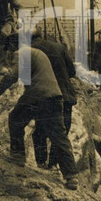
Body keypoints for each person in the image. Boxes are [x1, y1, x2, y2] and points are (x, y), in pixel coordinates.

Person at [0, 35, 79, 190]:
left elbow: (12, 75)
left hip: (38, 94)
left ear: (13, 46)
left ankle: (18, 156)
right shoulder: (37, 53)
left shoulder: (21, 53)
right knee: (58, 136)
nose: (9, 55)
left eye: (9, 51)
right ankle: (71, 176)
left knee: (15, 118)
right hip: (55, 96)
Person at [31, 31, 77, 168]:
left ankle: (42, 163)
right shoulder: (59, 47)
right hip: (66, 95)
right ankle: (54, 165)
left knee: (40, 131)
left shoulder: (32, 51)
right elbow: (72, 72)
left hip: (46, 96)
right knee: (62, 134)